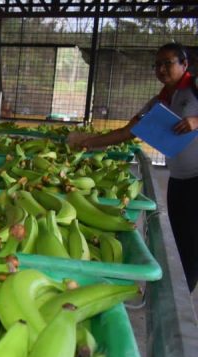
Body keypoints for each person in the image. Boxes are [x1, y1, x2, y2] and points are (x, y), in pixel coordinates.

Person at [68, 42, 198, 292]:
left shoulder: (194, 88)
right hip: (179, 178)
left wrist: (195, 120)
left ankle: (182, 301)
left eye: (168, 63)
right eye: (157, 64)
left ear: (185, 64)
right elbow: (128, 131)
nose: (161, 68)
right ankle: (178, 290)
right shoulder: (159, 102)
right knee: (181, 236)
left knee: (192, 244)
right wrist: (88, 143)